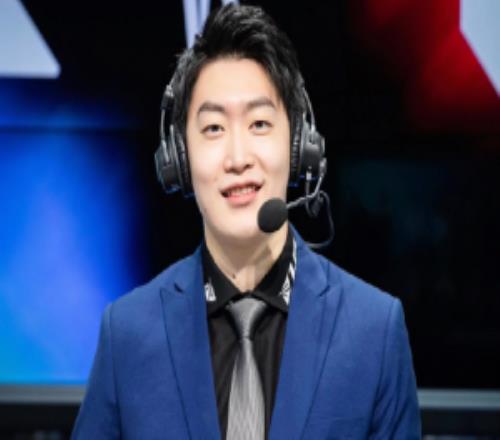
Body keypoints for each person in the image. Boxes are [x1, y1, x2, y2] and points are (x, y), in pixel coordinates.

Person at [72, 4, 421, 439]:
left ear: (299, 147)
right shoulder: (126, 334)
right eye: (214, 129)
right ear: (179, 160)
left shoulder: (374, 331)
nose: (238, 158)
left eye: (259, 123)